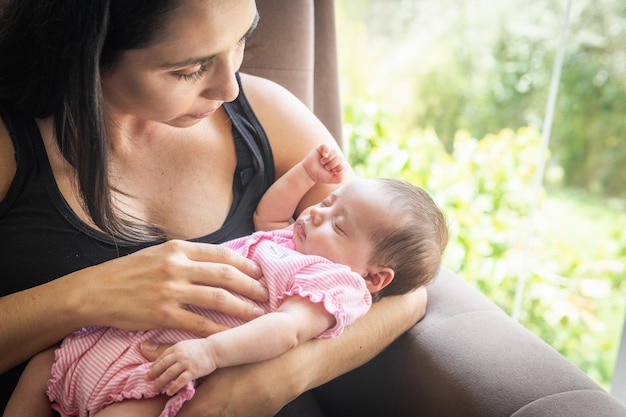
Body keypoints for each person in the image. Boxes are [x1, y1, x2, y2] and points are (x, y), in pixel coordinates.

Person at [0, 1, 429, 416]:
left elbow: (404, 294)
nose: (230, 88)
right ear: (86, 52)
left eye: (243, 38)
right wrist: (86, 296)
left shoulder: (268, 113)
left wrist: (278, 377)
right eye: (189, 69)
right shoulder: (10, 150)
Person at [3, 144, 448, 417]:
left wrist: (209, 352)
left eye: (339, 224)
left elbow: (286, 331)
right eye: (329, 201)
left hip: (169, 367)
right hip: (122, 339)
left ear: (373, 277)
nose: (316, 212)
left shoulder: (335, 285)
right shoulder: (294, 241)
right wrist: (305, 177)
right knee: (42, 367)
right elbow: (268, 215)